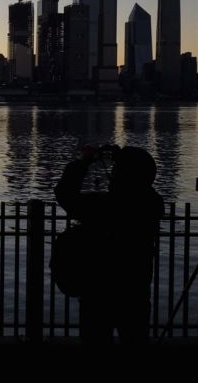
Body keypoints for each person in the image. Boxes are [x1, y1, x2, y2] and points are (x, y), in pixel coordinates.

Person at [55, 144, 163, 345]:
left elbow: (65, 193)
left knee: (96, 343)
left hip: (98, 293)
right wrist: (124, 157)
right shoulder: (150, 206)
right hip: (135, 292)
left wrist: (84, 162)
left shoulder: (101, 207)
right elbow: (146, 187)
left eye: (116, 170)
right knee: (135, 341)